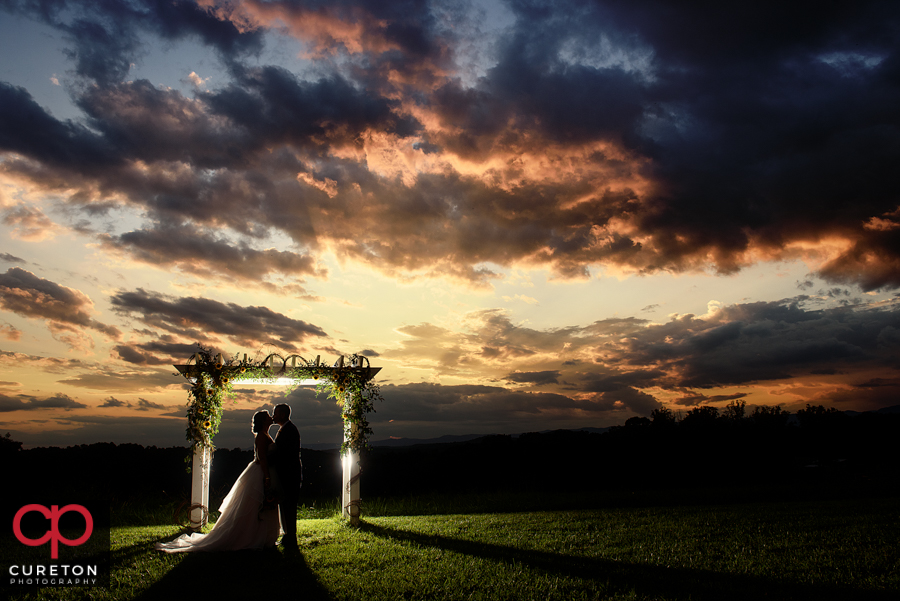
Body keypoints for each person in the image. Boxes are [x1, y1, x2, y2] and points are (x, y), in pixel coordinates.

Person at [155, 410, 281, 553]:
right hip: (260, 473)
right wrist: (267, 477)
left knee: (261, 505)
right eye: (268, 416)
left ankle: (263, 537)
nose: (271, 417)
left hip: (261, 471)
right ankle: (253, 536)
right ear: (263, 421)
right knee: (257, 505)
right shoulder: (262, 437)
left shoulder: (264, 435)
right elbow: (262, 458)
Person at [272, 403, 302, 548]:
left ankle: (290, 537)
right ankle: (288, 535)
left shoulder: (289, 430)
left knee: (289, 506)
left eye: (275, 413)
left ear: (282, 414)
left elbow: (286, 455)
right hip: (287, 474)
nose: (273, 416)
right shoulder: (285, 429)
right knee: (285, 506)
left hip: (289, 475)